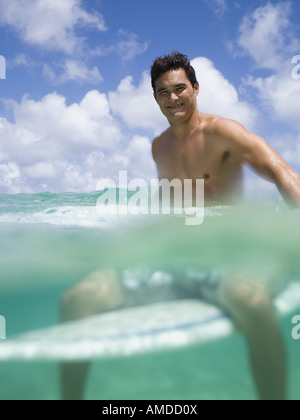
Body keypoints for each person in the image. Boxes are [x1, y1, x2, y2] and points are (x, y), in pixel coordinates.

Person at [60, 52, 300, 400]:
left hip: (226, 255)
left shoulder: (223, 132)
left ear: (196, 88)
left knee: (250, 298)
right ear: (155, 98)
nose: (173, 98)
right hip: (177, 259)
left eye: (179, 88)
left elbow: (283, 172)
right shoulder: (159, 147)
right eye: (163, 92)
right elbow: (173, 205)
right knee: (76, 299)